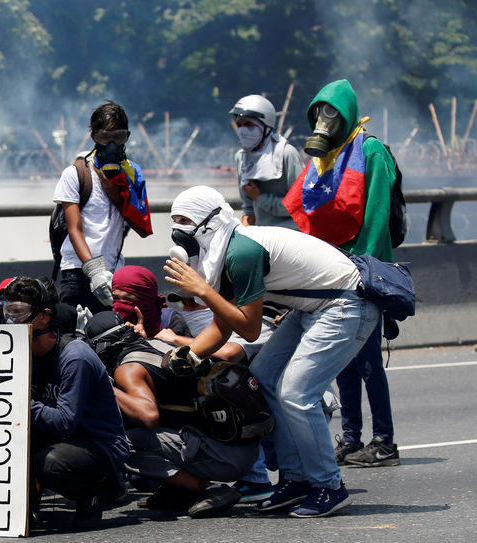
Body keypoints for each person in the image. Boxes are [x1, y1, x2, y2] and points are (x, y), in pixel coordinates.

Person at [164, 185, 379, 518]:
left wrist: (203, 291)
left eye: (184, 220)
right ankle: (295, 479)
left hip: (345, 304)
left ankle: (328, 486)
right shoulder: (223, 251)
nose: (179, 230)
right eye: (174, 220)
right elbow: (224, 324)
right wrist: (192, 355)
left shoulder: (241, 253)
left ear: (208, 222)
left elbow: (248, 329)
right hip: (311, 307)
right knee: (263, 376)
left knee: (297, 394)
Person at [284, 79, 400, 467]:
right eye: (317, 112)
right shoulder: (325, 159)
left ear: (346, 113)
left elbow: (378, 218)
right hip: (329, 274)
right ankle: (352, 438)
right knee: (342, 364)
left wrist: (367, 272)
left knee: (367, 363)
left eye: (330, 112)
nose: (323, 120)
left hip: (362, 273)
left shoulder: (371, 151)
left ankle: (384, 441)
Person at [85, 311, 258, 518]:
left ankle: (207, 489)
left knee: (119, 442)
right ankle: (180, 490)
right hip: (240, 447)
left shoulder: (128, 368)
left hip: (224, 457)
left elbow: (148, 417)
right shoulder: (158, 344)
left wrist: (104, 385)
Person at [1, 276, 128, 529]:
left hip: (98, 445)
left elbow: (64, 423)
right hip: (60, 439)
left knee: (48, 463)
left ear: (44, 316)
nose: (11, 320)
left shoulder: (75, 357)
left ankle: (97, 490)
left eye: (20, 312)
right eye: (8, 312)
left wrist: (16, 398)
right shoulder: (18, 350)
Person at [52, 101, 151, 314]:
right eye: (105, 137)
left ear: (127, 136)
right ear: (94, 137)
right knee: (75, 338)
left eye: (119, 137)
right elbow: (74, 228)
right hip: (77, 271)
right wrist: (95, 271)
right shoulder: (76, 173)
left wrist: (115, 191)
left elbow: (143, 229)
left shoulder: (132, 173)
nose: (112, 144)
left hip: (114, 273)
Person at [229, 94, 304, 229]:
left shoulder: (287, 153)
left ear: (265, 125)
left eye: (248, 125)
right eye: (239, 125)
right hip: (261, 234)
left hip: (291, 233)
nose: (242, 130)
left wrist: (261, 198)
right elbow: (248, 208)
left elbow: (300, 205)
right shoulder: (241, 157)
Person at [111, 265, 191, 340]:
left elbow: (190, 351)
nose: (120, 305)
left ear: (146, 298)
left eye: (128, 299)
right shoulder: (110, 322)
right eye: (115, 298)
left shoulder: (169, 320)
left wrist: (144, 343)